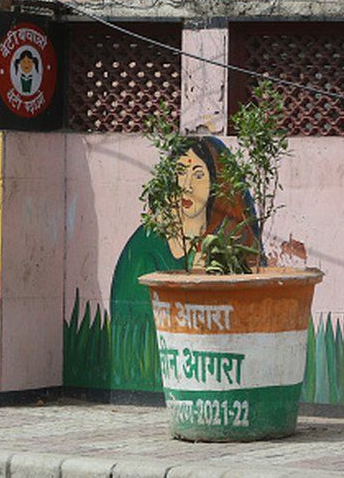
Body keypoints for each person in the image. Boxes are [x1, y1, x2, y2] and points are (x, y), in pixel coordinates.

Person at [107, 137, 259, 390]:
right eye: (180, 172)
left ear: (216, 184)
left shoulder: (223, 240)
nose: (187, 186)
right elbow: (136, 329)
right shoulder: (146, 245)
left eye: (199, 175)